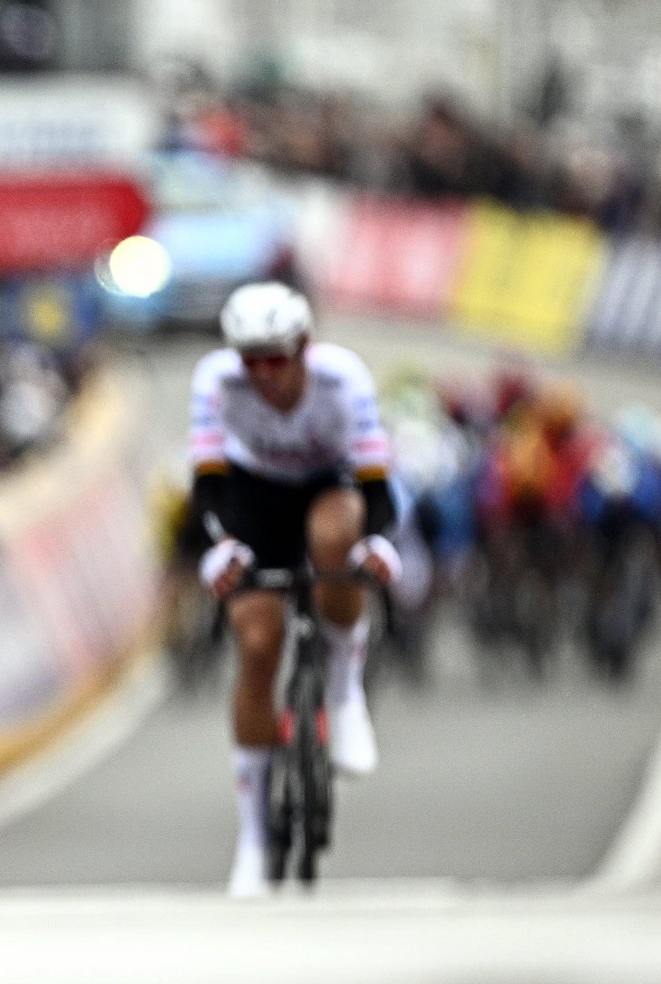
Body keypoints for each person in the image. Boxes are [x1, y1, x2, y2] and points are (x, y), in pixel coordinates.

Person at [189, 282, 400, 897]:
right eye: (249, 359)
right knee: (258, 645)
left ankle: (343, 689)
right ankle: (254, 840)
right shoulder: (215, 381)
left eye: (276, 358)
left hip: (328, 488)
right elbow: (205, 485)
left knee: (335, 538)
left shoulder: (343, 381)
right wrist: (219, 548)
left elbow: (378, 487)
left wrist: (378, 544)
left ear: (304, 348)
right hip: (252, 497)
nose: (263, 374)